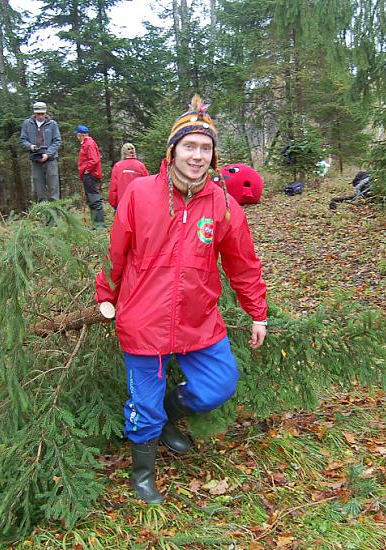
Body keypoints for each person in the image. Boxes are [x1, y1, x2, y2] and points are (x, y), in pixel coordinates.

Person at [94, 95, 268, 504]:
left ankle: (173, 415)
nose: (197, 155)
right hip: (143, 319)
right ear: (172, 151)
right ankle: (142, 474)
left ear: (213, 156)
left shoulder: (224, 205)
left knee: (219, 384)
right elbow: (116, 253)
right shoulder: (139, 194)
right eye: (189, 146)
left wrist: (257, 312)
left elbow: (243, 264)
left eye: (205, 149)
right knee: (144, 405)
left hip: (198, 319)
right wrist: (107, 294)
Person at [20, 101, 62, 202]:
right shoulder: (27, 123)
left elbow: (57, 141)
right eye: (38, 114)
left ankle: (55, 213)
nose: (40, 116)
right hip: (35, 159)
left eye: (42, 114)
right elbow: (23, 140)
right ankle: (43, 212)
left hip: (50, 159)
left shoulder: (52, 124)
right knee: (39, 188)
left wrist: (48, 154)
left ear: (45, 112)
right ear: (34, 113)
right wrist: (31, 146)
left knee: (53, 187)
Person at [75, 124, 105, 229]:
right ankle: (95, 223)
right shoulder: (86, 144)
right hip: (89, 176)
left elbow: (94, 160)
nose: (77, 137)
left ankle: (99, 224)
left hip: (91, 176)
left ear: (80, 135)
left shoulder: (89, 144)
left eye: (77, 135)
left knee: (95, 199)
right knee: (91, 200)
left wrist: (87, 171)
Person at [108, 143, 149, 211]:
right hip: (138, 201)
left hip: (122, 202)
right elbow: (147, 185)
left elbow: (113, 187)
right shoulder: (141, 166)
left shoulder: (118, 166)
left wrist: (113, 202)